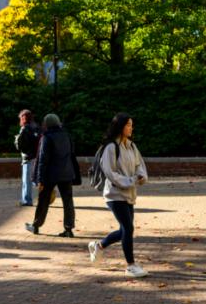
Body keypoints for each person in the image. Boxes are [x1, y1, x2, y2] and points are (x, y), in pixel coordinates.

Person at [87, 113, 150, 277]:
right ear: (120, 126)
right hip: (114, 195)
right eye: (128, 125)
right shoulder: (110, 148)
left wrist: (141, 176)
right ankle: (131, 265)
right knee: (128, 228)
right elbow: (110, 173)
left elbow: (139, 165)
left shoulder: (131, 146)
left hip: (129, 193)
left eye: (132, 125)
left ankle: (99, 246)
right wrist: (131, 180)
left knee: (125, 229)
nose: (131, 128)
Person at [25, 113, 77, 238]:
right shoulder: (66, 135)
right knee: (68, 202)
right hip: (66, 173)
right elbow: (71, 154)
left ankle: (36, 226)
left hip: (50, 175)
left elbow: (43, 160)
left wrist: (40, 180)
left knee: (43, 200)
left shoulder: (47, 137)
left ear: (47, 124)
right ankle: (69, 229)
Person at [15, 109, 41, 207]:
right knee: (38, 180)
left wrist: (16, 140)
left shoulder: (25, 128)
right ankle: (44, 199)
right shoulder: (37, 127)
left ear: (23, 118)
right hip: (37, 157)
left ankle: (27, 200)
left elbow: (20, 145)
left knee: (27, 181)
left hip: (28, 157)